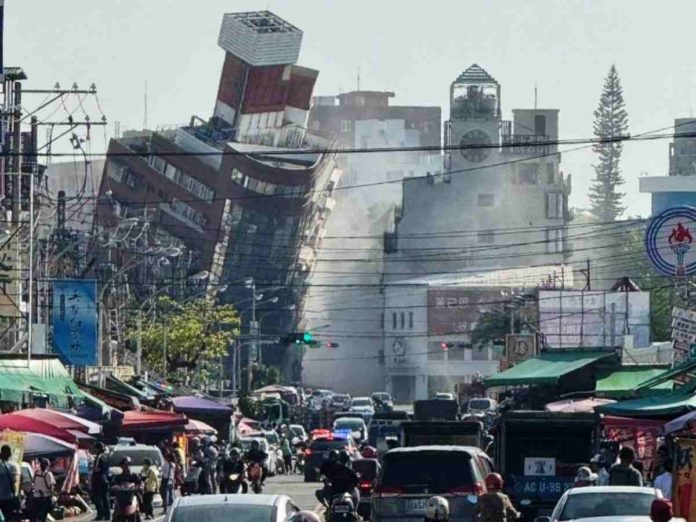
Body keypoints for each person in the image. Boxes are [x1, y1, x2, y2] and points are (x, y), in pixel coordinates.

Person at [91, 442, 110, 521]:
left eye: (95, 448)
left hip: (99, 479)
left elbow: (96, 469)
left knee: (97, 498)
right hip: (105, 479)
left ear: (98, 449)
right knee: (105, 498)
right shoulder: (106, 456)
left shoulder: (99, 457)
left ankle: (100, 515)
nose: (94, 450)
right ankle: (107, 515)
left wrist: (92, 477)